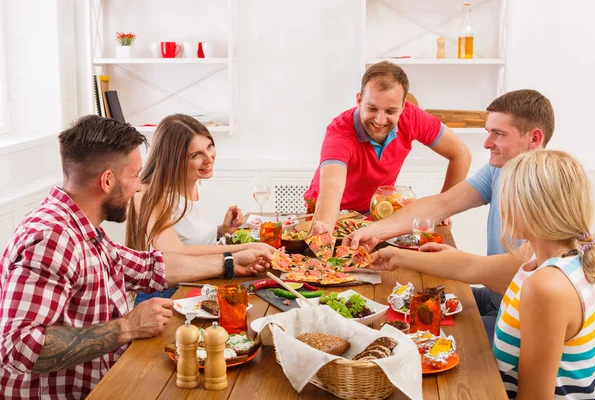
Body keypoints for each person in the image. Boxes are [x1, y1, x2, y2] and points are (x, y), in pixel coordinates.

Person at [0, 116, 273, 399]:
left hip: (106, 380)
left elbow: (149, 266)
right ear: (107, 181)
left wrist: (230, 263)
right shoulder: (52, 238)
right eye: (134, 176)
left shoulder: (81, 227)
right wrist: (127, 327)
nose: (139, 187)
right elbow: (18, 347)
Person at [369, 150, 595, 399]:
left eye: (507, 198)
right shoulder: (558, 255)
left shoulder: (547, 287)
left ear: (534, 208)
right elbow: (469, 266)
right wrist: (397, 255)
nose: (502, 208)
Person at [345, 89, 555, 338]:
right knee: (398, 311)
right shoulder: (498, 171)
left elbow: (516, 270)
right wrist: (374, 230)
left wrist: (401, 257)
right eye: (489, 132)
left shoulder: (548, 189)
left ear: (534, 138)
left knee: (414, 338)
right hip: (495, 298)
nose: (487, 144)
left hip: (520, 319)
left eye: (499, 134)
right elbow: (442, 203)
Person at [304, 60, 471, 234]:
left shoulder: (412, 116)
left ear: (403, 106)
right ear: (359, 101)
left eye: (390, 111)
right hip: (328, 215)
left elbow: (461, 154)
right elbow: (333, 182)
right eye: (372, 108)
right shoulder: (340, 132)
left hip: (374, 215)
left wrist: (443, 208)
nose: (380, 120)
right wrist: (323, 230)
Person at [125, 114, 274, 304]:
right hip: (166, 296)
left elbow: (188, 238)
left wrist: (222, 231)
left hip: (199, 284)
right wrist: (247, 248)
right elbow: (173, 253)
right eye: (196, 155)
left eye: (209, 147)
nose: (209, 158)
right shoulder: (149, 195)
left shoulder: (193, 182)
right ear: (173, 160)